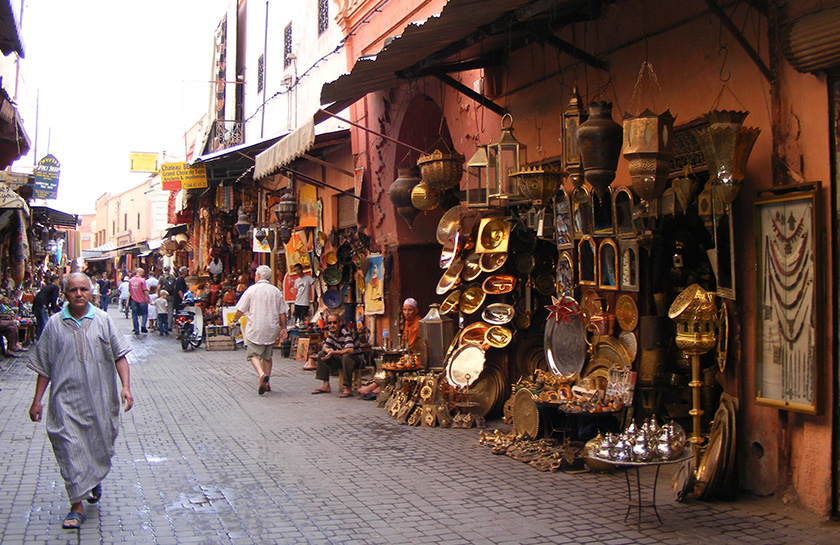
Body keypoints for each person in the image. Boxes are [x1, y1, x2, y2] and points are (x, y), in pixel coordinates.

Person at [27, 272, 133, 530]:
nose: (78, 294)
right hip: (65, 401)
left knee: (100, 444)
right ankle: (76, 504)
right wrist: (37, 401)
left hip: (100, 400)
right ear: (64, 294)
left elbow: (120, 355)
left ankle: (92, 479)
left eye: (83, 289)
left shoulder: (103, 319)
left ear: (91, 292)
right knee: (68, 447)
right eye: (73, 290)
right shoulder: (53, 324)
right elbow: (44, 366)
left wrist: (126, 387)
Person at [232, 265, 288, 395]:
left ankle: (262, 374)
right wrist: (283, 327)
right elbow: (282, 312)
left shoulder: (252, 290)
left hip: (255, 328)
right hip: (271, 328)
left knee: (253, 354)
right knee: (267, 356)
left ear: (258, 276)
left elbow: (241, 309)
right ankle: (266, 383)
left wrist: (234, 320)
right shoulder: (276, 291)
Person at [358, 298, 427, 400]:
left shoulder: (417, 324)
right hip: (407, 353)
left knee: (392, 364)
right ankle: (379, 385)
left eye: (410, 310)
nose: (406, 313)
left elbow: (412, 346)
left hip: (413, 356)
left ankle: (376, 386)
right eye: (404, 310)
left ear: (416, 311)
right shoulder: (407, 322)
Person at [311, 311, 360, 398]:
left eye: (334, 322)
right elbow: (325, 347)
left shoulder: (345, 331)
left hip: (356, 360)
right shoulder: (332, 333)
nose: (332, 325)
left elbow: (350, 350)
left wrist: (334, 352)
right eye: (329, 323)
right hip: (342, 359)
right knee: (322, 354)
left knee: (346, 356)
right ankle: (326, 385)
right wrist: (328, 351)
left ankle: (348, 388)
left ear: (340, 323)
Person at [291, 263, 314, 328]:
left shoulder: (308, 279)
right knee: (296, 322)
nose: (297, 272)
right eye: (295, 270)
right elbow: (296, 292)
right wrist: (294, 304)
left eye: (298, 269)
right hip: (297, 303)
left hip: (305, 303)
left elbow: (315, 284)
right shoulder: (296, 281)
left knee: (303, 321)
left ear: (301, 269)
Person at [128, 268, 150, 335]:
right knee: (144, 313)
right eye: (142, 272)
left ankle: (136, 330)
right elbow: (145, 290)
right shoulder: (142, 281)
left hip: (134, 300)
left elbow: (130, 291)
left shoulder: (131, 281)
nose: (143, 274)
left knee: (134, 315)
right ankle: (143, 325)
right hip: (142, 300)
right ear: (140, 272)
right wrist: (147, 298)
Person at [158, 266, 176, 331]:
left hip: (163, 295)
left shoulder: (161, 277)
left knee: (161, 309)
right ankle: (169, 326)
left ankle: (160, 325)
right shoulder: (172, 277)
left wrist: (159, 295)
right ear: (169, 270)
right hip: (170, 295)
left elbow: (158, 287)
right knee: (170, 310)